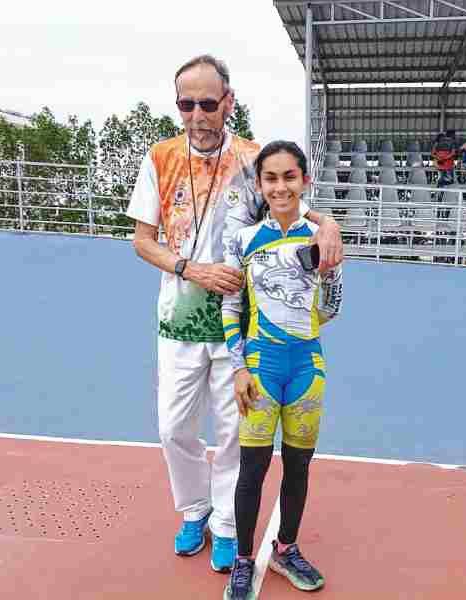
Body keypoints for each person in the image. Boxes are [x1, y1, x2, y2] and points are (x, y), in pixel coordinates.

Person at [127, 54, 344, 574]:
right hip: (178, 317)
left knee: (231, 431)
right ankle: (194, 510)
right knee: (173, 426)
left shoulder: (250, 158)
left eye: (207, 102)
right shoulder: (159, 157)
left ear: (227, 101)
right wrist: (191, 269)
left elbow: (284, 194)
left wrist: (326, 218)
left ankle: (226, 524)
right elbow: (142, 241)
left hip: (240, 323)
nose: (197, 114)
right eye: (186, 103)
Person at [221, 141, 342, 600]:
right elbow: (231, 305)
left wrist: (327, 272)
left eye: (289, 176)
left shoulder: (325, 239)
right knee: (251, 468)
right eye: (270, 178)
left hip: (307, 366)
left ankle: (286, 548)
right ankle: (244, 559)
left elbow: (332, 309)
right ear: (259, 185)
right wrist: (238, 368)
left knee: (298, 466)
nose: (280, 186)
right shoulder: (244, 241)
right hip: (260, 367)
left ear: (304, 180)